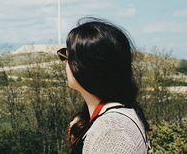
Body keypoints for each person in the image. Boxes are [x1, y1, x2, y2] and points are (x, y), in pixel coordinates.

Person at [57, 18, 151, 154]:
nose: (64, 62)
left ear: (87, 67)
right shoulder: (115, 118)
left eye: (67, 56)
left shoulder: (113, 131)